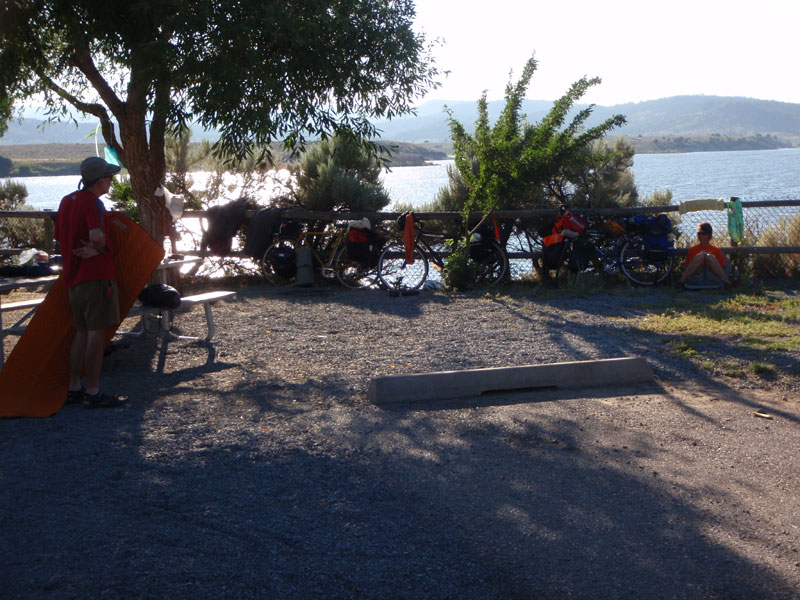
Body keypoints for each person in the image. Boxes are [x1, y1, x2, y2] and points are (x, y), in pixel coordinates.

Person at [54, 157, 125, 408]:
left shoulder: (67, 201)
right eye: (109, 177)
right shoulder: (94, 204)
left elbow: (60, 238)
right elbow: (96, 235)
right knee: (97, 334)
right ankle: (93, 392)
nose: (111, 182)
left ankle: (74, 387)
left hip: (73, 279)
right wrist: (100, 247)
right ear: (100, 180)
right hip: (95, 277)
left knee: (81, 333)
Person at [676, 221, 732, 289]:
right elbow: (687, 267)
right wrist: (701, 258)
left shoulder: (716, 250)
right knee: (701, 256)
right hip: (697, 276)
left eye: (704, 233)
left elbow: (722, 266)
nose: (701, 236)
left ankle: (727, 283)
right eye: (699, 233)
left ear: (709, 235)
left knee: (708, 256)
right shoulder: (693, 250)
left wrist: (709, 259)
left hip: (712, 276)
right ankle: (681, 281)